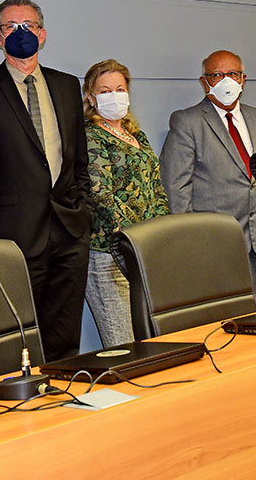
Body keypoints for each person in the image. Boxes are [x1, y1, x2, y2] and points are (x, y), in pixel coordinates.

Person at [0, 0, 91, 360]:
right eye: (10, 27)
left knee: (65, 337)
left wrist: (82, 210)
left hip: (68, 229)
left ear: (42, 33)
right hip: (14, 235)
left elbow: (78, 159)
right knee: (18, 340)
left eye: (29, 26)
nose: (21, 33)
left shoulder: (66, 86)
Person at [159, 50, 256, 309]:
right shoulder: (187, 121)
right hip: (214, 243)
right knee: (222, 319)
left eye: (233, 74)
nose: (227, 81)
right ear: (204, 82)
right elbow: (176, 187)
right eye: (217, 75)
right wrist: (190, 241)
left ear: (243, 79)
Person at [82, 59, 170, 347]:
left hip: (145, 251)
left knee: (152, 340)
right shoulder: (90, 135)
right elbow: (99, 192)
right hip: (110, 252)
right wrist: (136, 234)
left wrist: (159, 231)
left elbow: (155, 186)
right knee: (124, 345)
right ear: (91, 98)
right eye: (105, 90)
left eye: (119, 88)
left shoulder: (137, 135)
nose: (114, 95)